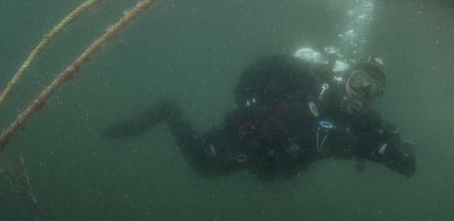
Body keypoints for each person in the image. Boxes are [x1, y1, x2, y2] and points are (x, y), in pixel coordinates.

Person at [102, 54, 416, 180]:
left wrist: (394, 150)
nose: (361, 93)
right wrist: (303, 119)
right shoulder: (309, 83)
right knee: (203, 165)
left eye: (372, 90)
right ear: (346, 75)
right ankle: (168, 109)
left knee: (208, 169)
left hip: (266, 164)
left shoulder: (361, 122)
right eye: (360, 81)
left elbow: (402, 163)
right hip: (245, 141)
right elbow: (256, 77)